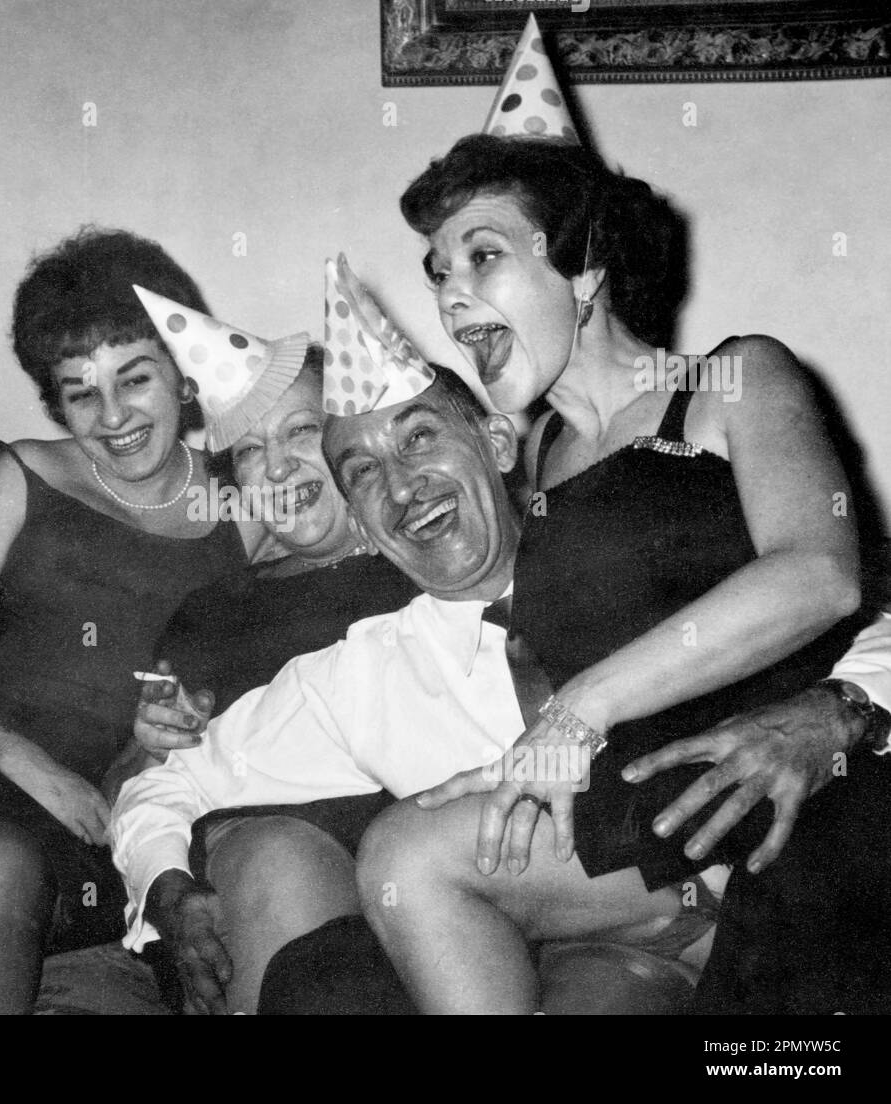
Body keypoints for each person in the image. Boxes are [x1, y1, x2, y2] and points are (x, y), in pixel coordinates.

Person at [111, 326, 891, 1014]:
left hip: (796, 887)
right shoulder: (355, 676)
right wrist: (169, 890)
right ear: (359, 520)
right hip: (606, 956)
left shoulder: (640, 536)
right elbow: (164, 783)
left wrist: (837, 709)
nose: (402, 486)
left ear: (496, 441)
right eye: (363, 472)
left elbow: (846, 604)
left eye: (419, 439)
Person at [366, 31, 883, 1010]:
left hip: (808, 792)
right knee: (407, 853)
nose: (449, 294)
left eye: (482, 255)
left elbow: (823, 574)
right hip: (658, 821)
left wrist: (578, 710)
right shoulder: (530, 468)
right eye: (437, 271)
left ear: (587, 267)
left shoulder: (732, 382)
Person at [0, 228, 250, 1014]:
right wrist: (28, 766)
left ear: (184, 376)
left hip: (107, 824)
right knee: (0, 862)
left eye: (134, 378)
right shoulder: (25, 475)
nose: (112, 416)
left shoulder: (244, 508)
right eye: (80, 392)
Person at [114, 285, 422, 1012]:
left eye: (301, 432)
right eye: (251, 450)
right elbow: (136, 785)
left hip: (422, 852)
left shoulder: (433, 556)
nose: (278, 468)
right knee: (283, 866)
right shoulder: (214, 610)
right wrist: (146, 745)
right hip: (257, 868)